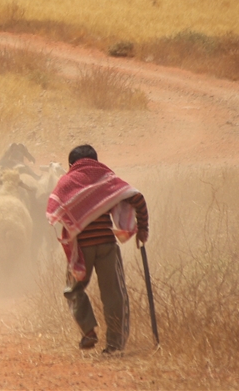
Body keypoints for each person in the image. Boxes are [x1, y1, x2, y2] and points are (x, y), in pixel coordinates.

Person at [45, 144, 149, 356]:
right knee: (114, 294)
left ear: (71, 165)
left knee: (73, 290)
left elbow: (54, 209)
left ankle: (89, 331)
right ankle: (115, 344)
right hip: (107, 246)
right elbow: (137, 197)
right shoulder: (106, 179)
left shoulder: (66, 182)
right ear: (96, 161)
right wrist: (143, 228)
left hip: (82, 248)